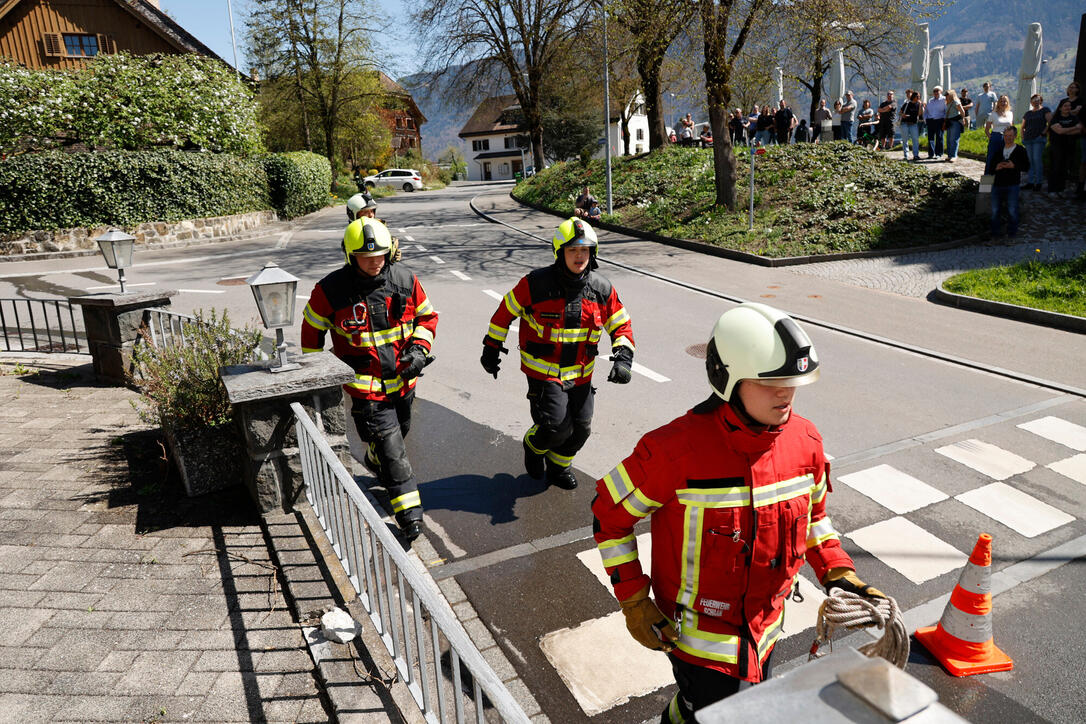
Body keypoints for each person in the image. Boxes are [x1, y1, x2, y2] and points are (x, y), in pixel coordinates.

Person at [592, 303, 884, 724]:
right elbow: (608, 516)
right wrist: (634, 599)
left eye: (793, 381)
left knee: (710, 711)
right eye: (772, 382)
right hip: (698, 644)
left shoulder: (806, 442)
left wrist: (837, 570)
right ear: (727, 379)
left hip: (766, 631)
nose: (786, 392)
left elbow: (814, 518)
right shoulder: (673, 452)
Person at [301, 217, 438, 542]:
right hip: (366, 391)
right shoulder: (330, 291)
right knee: (394, 452)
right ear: (351, 256)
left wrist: (419, 350)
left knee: (399, 435)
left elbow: (427, 317)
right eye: (366, 257)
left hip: (404, 385)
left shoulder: (405, 280)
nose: (375, 262)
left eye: (380, 255)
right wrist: (317, 377)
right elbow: (310, 334)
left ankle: (374, 455)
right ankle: (409, 516)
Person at [480, 218, 635, 491]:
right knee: (556, 427)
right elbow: (504, 313)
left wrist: (623, 357)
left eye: (585, 250)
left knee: (582, 428)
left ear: (593, 253)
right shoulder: (535, 284)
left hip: (582, 376)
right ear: (559, 252)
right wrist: (491, 348)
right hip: (544, 375)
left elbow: (620, 324)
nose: (579, 256)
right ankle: (533, 444)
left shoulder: (601, 289)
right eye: (573, 250)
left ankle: (559, 465)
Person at [989, 127, 1029, 238]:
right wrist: (996, 167)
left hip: (1012, 184)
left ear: (1015, 136)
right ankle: (995, 235)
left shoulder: (1020, 150)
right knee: (995, 211)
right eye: (1006, 136)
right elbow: (991, 167)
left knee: (1012, 210)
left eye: (1010, 136)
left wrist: (1014, 166)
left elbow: (1026, 166)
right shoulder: (998, 150)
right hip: (997, 184)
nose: (1008, 138)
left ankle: (1012, 235)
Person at [1046, 99, 1084, 196]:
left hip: (1069, 146)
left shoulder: (1074, 118)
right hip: (1056, 146)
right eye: (1065, 106)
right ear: (1060, 108)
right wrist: (1074, 128)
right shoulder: (1056, 118)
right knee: (1055, 167)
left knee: (1065, 168)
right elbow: (1059, 131)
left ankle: (1061, 189)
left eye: (1069, 106)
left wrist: (1065, 130)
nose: (1068, 108)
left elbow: (1080, 131)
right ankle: (1052, 189)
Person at [1055, 82, 1084, 199]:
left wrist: (1065, 112)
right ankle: (1060, 185)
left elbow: (1075, 112)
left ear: (1078, 89)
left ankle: (1070, 182)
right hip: (1062, 134)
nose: (1072, 89)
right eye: (1071, 87)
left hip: (1074, 133)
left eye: (1075, 87)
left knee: (1070, 159)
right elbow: (1057, 113)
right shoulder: (1063, 100)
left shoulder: (1080, 101)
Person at [1020, 94, 1052, 190]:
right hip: (1028, 139)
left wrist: (1043, 133)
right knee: (1031, 161)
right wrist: (1023, 137)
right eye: (1033, 100)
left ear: (1040, 101)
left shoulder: (1045, 110)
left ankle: (1038, 183)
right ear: (1031, 102)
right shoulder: (1028, 113)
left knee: (1037, 160)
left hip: (1038, 139)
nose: (1035, 101)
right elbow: (1022, 127)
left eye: (1037, 99)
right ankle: (1030, 182)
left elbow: (1050, 122)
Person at [983, 95, 1014, 174]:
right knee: (991, 160)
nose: (1003, 103)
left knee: (1005, 160)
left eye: (1005, 101)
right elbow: (987, 129)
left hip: (1007, 139)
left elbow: (1011, 127)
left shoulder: (1010, 114)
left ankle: (1000, 181)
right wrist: (991, 138)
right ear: (998, 103)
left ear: (1008, 103)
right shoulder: (993, 114)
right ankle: (987, 184)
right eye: (1001, 101)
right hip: (996, 137)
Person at [943, 89, 966, 163]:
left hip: (955, 122)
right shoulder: (948, 103)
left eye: (947, 95)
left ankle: (954, 155)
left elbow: (962, 111)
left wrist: (963, 119)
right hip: (949, 122)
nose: (946, 96)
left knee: (954, 139)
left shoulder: (955, 102)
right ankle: (950, 155)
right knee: (949, 139)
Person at [899, 90, 922, 161]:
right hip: (905, 123)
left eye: (919, 96)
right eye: (917, 96)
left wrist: (920, 105)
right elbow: (900, 112)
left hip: (913, 124)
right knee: (905, 140)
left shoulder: (918, 104)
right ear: (913, 97)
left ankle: (916, 155)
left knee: (915, 140)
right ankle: (906, 155)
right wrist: (903, 115)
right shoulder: (907, 103)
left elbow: (920, 114)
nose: (918, 97)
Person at [924, 86, 947, 159]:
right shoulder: (930, 100)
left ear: (941, 91)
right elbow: (926, 111)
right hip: (930, 120)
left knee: (939, 137)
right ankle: (931, 154)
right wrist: (925, 119)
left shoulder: (944, 100)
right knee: (930, 138)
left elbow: (946, 111)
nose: (936, 92)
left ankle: (939, 153)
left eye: (937, 91)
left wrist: (944, 120)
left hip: (939, 120)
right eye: (934, 91)